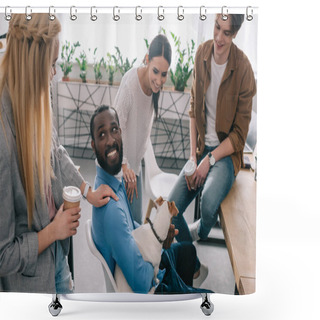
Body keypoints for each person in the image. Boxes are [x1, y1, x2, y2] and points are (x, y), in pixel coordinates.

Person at [0, 14, 117, 294]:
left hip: (57, 256)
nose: (54, 73)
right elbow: (3, 256)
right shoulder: (3, 140)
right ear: (32, 66)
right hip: (31, 279)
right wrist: (52, 231)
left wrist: (87, 190)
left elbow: (56, 152)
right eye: (51, 65)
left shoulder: (36, 98)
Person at [90, 105, 211, 294]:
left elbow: (131, 229)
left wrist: (157, 236)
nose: (111, 140)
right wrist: (157, 259)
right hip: (145, 291)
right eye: (102, 134)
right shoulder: (111, 209)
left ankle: (181, 294)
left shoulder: (110, 182)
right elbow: (141, 283)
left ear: (121, 133)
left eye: (114, 130)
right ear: (93, 144)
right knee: (210, 300)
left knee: (187, 251)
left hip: (140, 263)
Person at [168, 14, 256, 271]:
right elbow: (194, 109)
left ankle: (202, 230)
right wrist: (193, 159)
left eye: (226, 33)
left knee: (208, 203)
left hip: (225, 156)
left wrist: (210, 159)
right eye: (217, 28)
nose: (218, 37)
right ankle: (195, 268)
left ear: (235, 34)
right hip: (200, 151)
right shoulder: (202, 54)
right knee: (169, 211)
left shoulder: (244, 69)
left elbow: (239, 136)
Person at [113, 34, 172, 224]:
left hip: (134, 169)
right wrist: (123, 167)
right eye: (156, 71)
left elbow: (142, 132)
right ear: (147, 60)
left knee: (136, 225)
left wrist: (132, 169)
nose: (159, 80)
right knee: (129, 227)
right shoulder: (130, 83)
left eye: (164, 74)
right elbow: (115, 129)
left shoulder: (154, 89)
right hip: (117, 166)